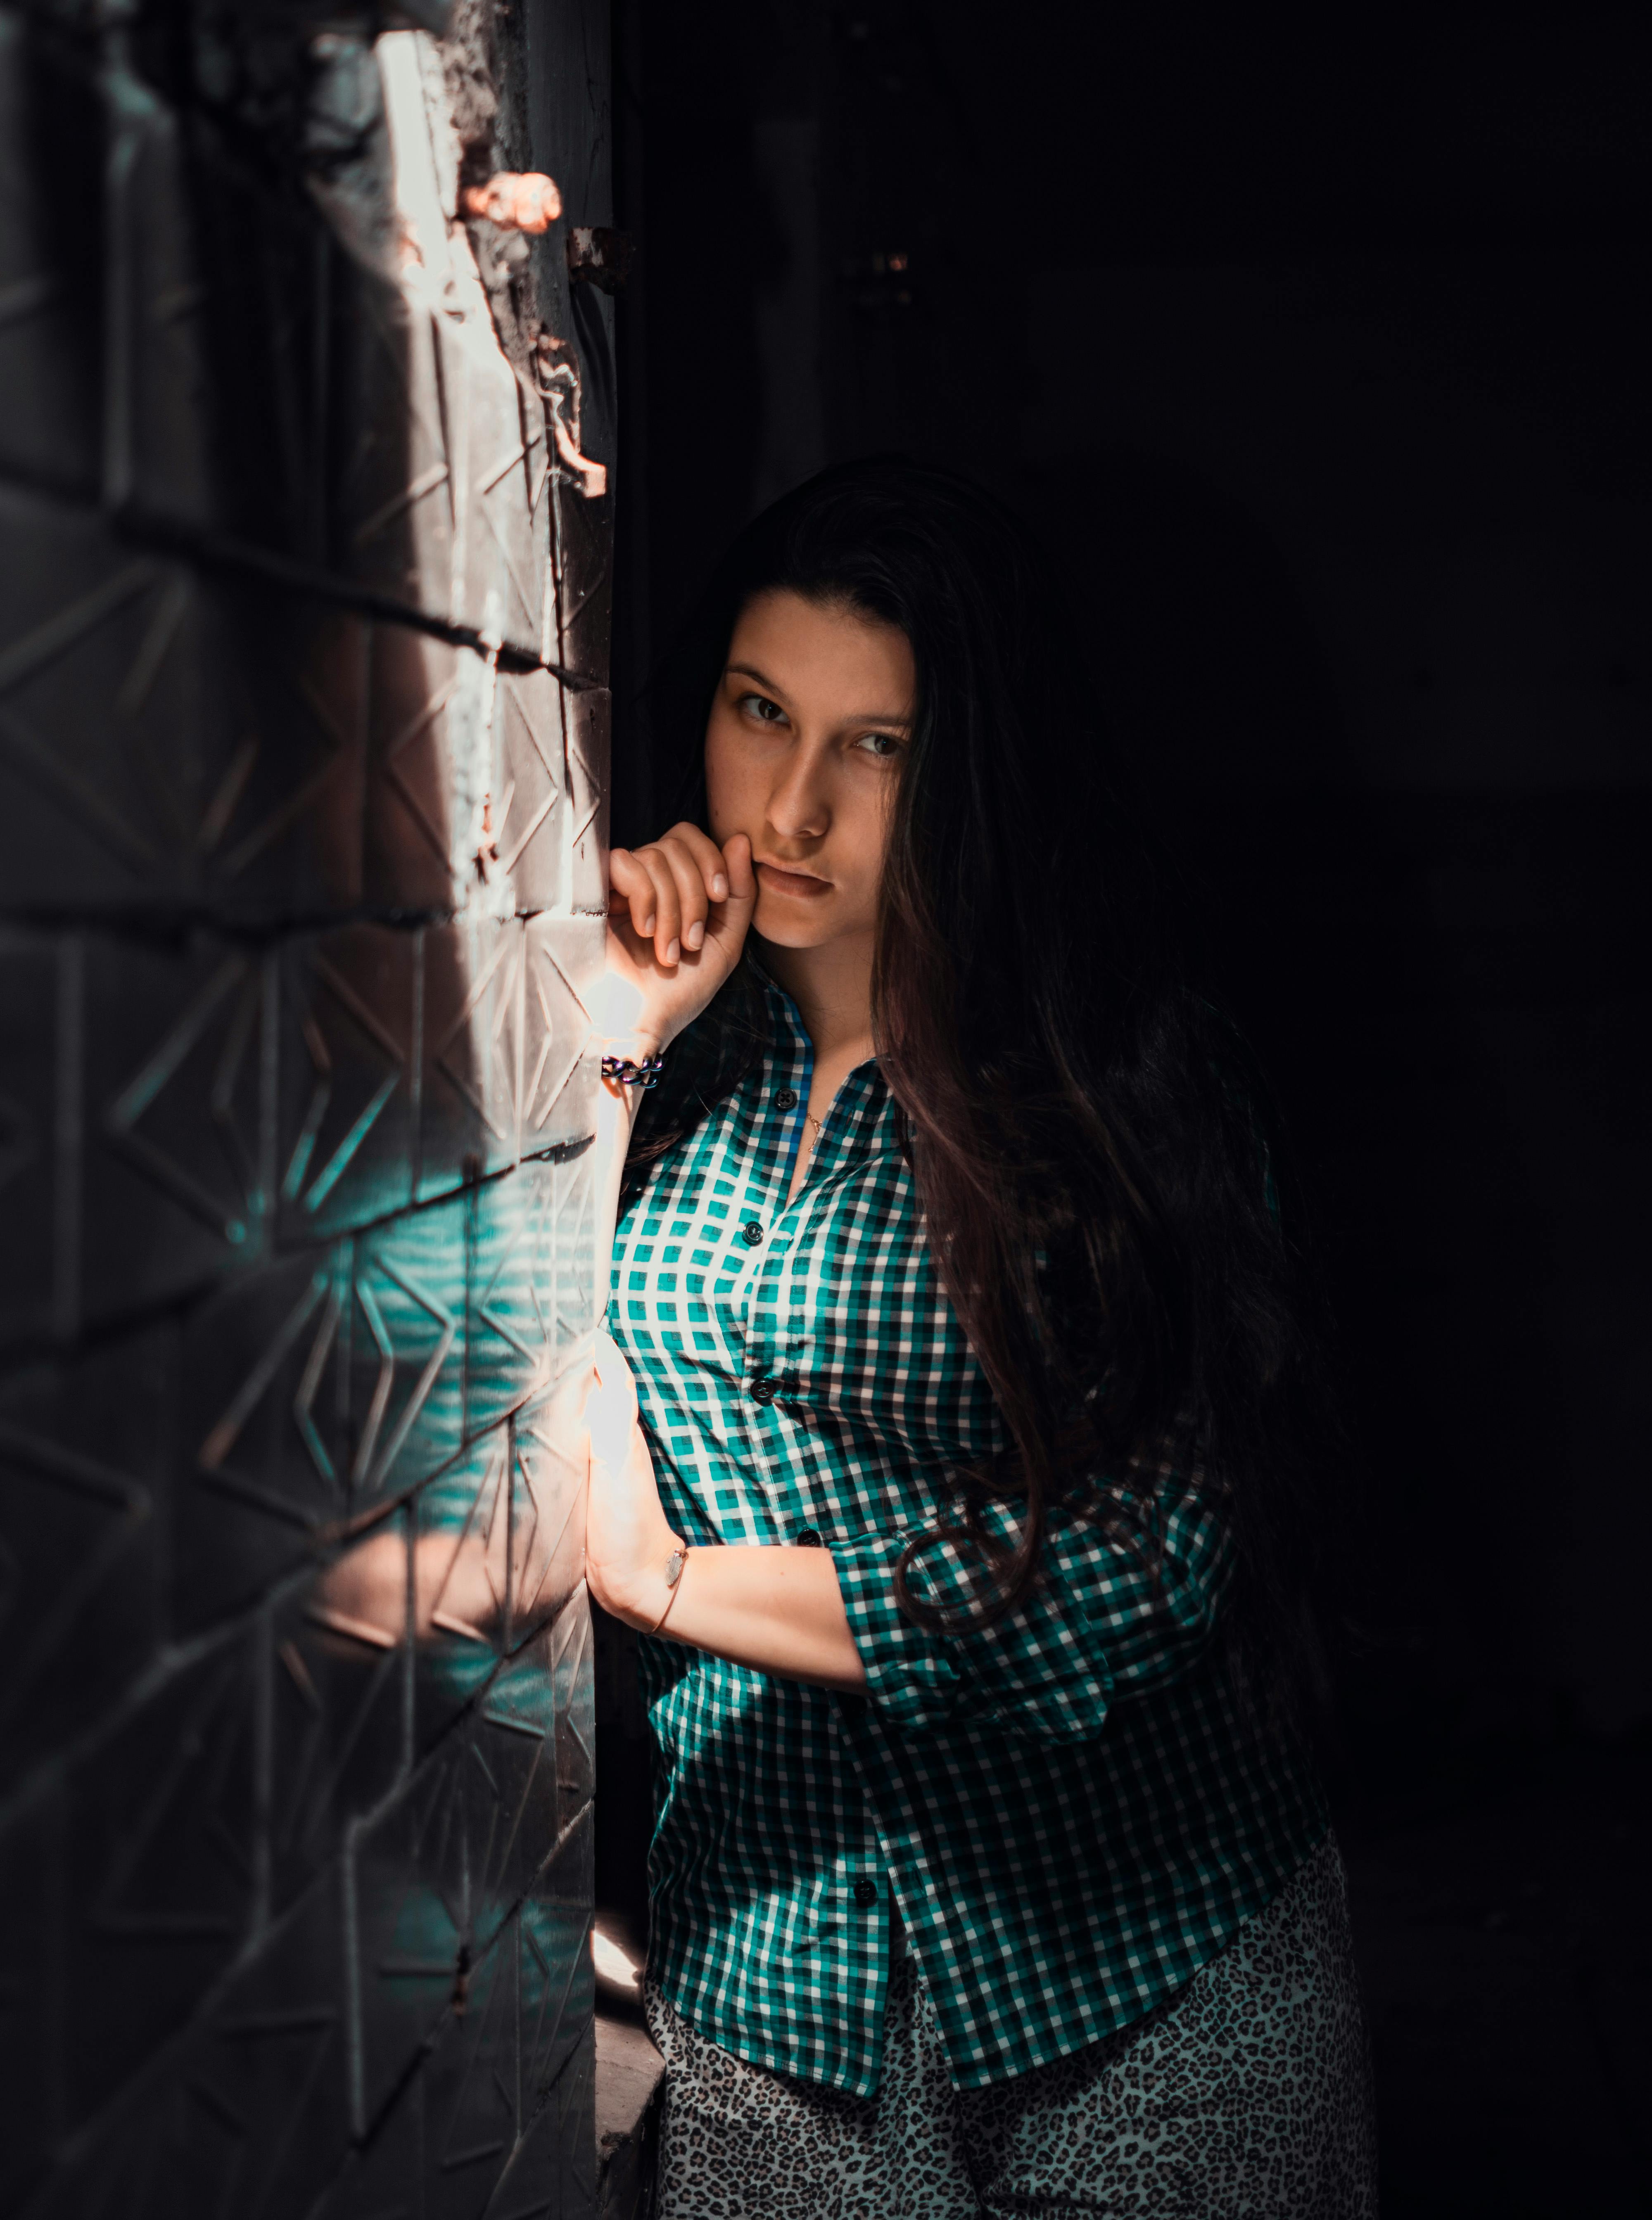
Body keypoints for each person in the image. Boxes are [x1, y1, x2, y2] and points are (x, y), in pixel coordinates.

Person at [582, 458, 1376, 2218]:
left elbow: (1139, 1572)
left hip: (1139, 1967)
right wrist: (621, 1036)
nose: (788, 809)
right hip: (773, 1972)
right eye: (756, 712)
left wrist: (665, 1579)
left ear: (970, 772)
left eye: (874, 746)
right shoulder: (668, 1055)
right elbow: (497, 1324)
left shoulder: (1109, 1083)